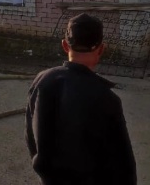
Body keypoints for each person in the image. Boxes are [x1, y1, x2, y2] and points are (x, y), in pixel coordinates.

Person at [25, 13, 136, 185]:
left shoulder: (42, 81)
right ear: (101, 49)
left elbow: (31, 137)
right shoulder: (107, 98)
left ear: (64, 46)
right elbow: (123, 161)